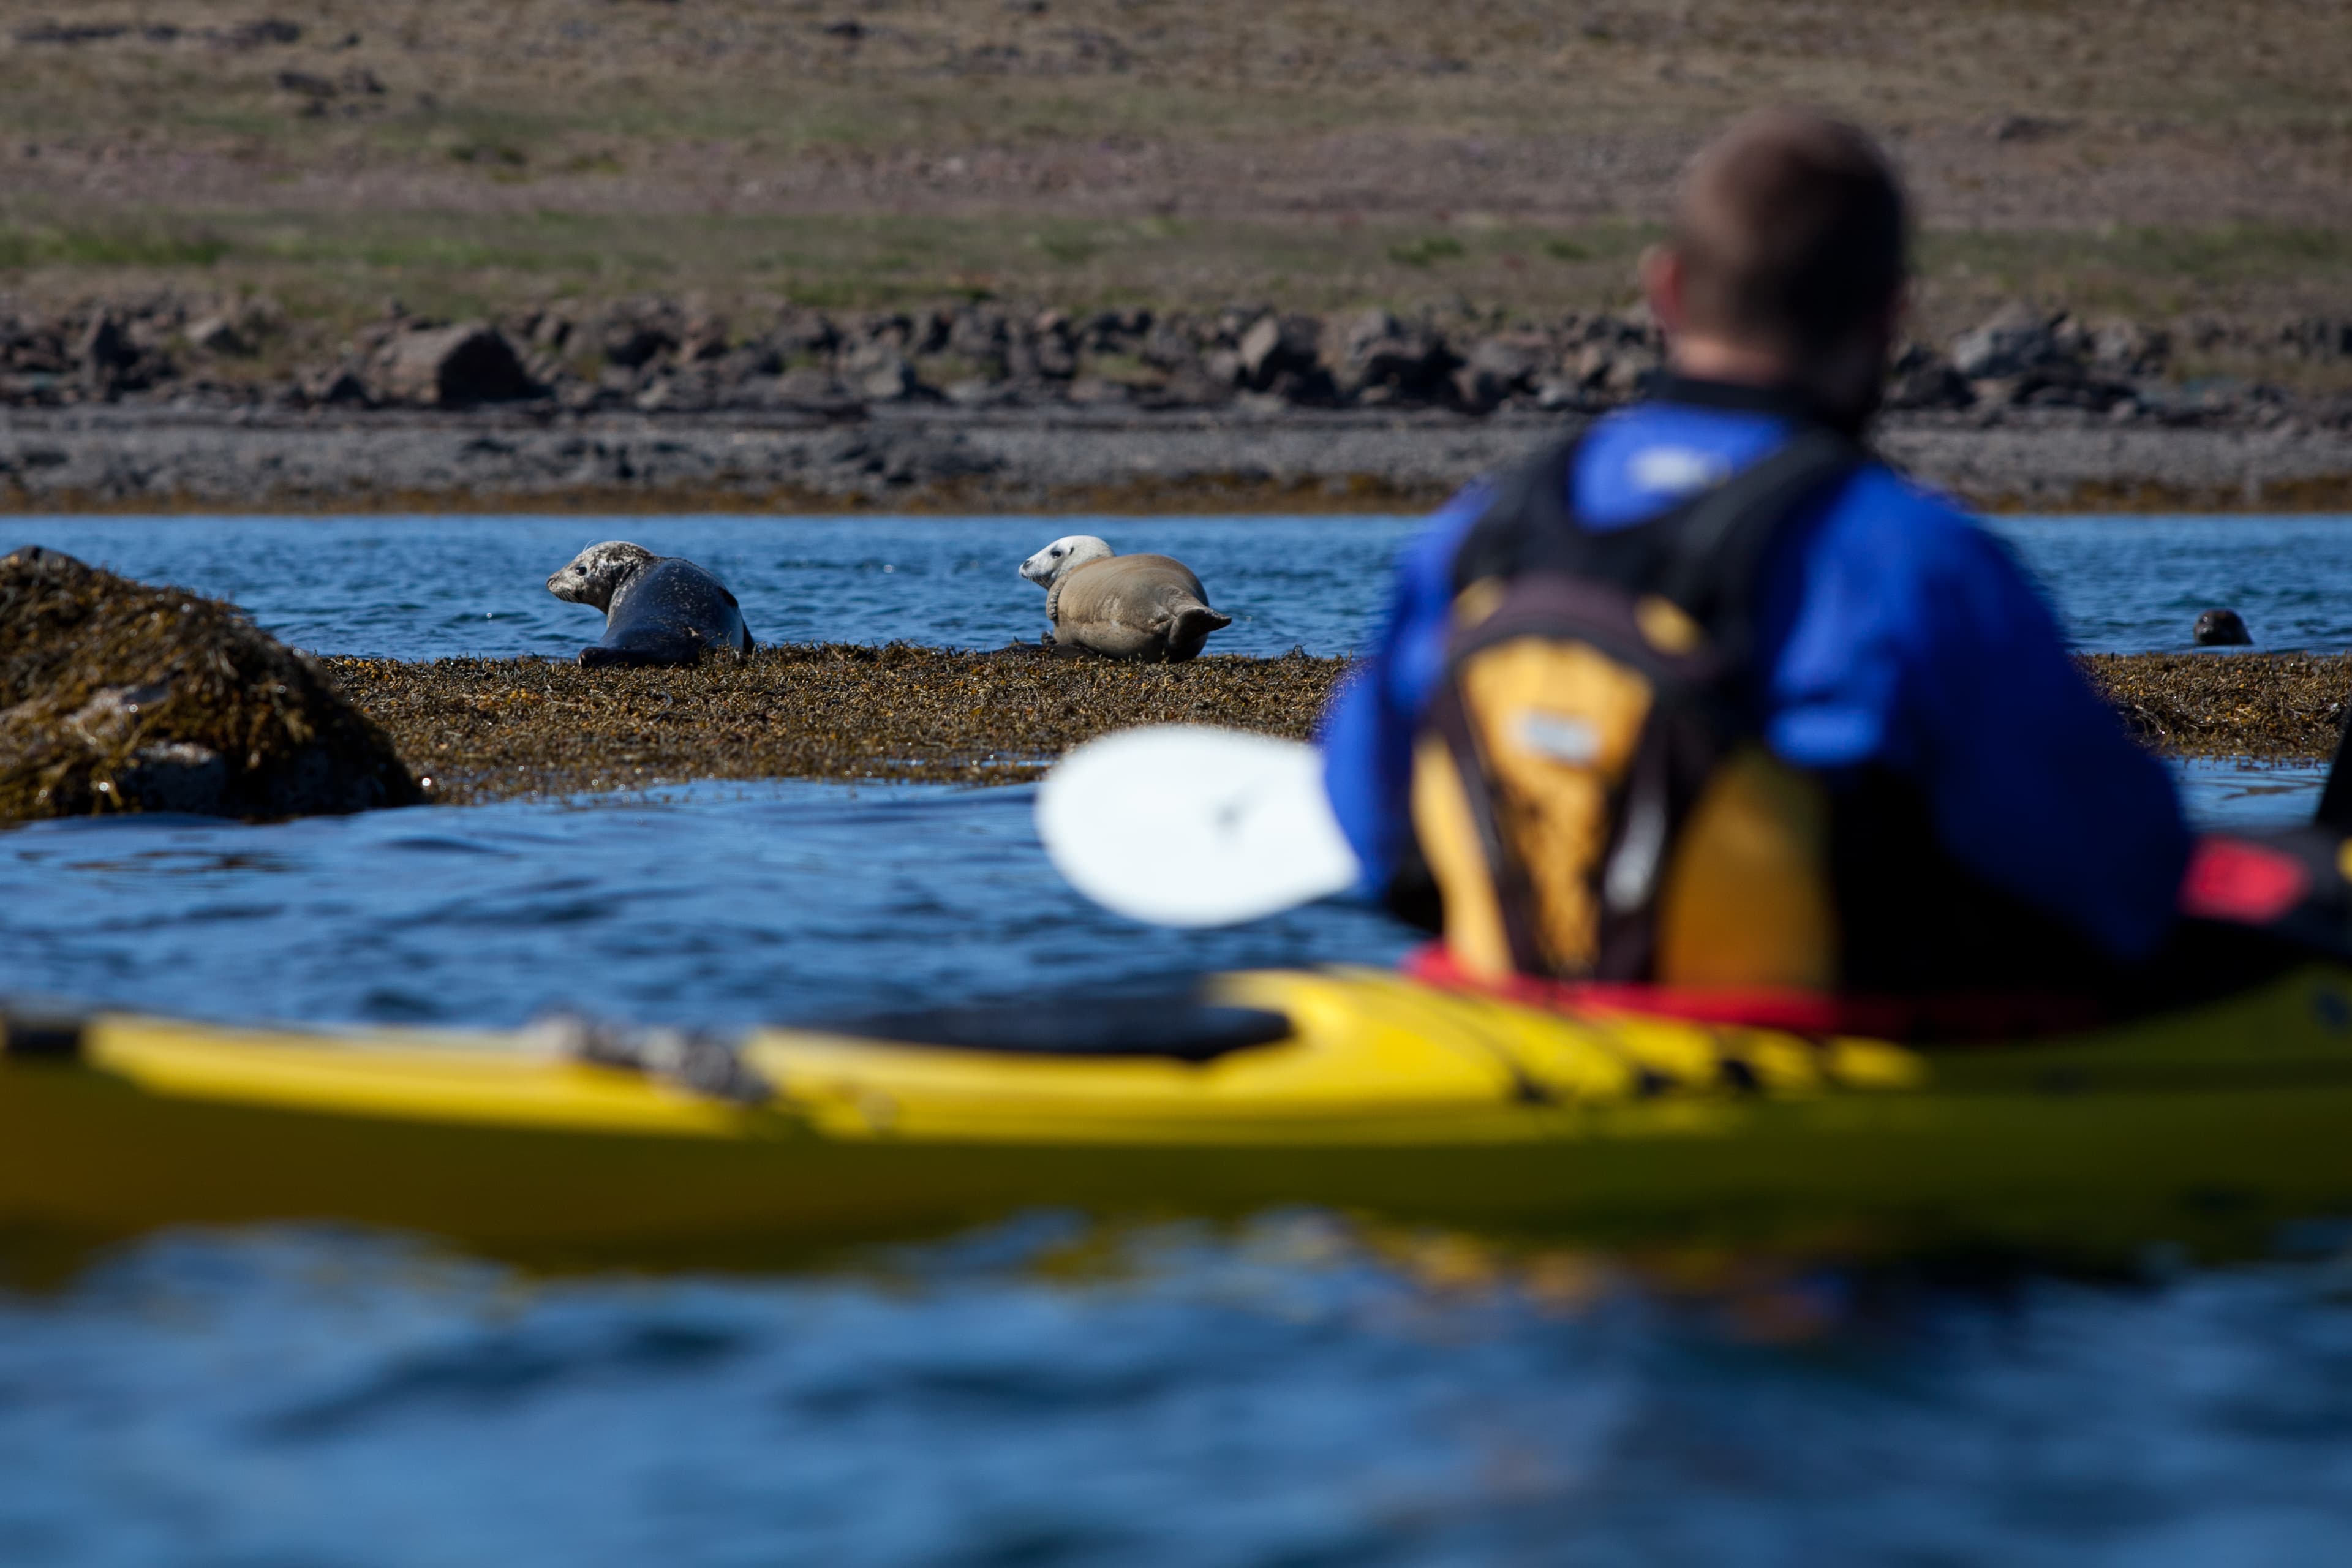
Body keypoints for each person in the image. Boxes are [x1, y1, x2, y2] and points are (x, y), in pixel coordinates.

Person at [1318, 108, 2190, 1003]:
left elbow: (1370, 819)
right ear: (1889, 318)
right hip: (1805, 1042)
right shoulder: (1913, 560)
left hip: (1516, 1023)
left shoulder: (1481, 529)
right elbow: (2123, 878)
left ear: (1666, 289)